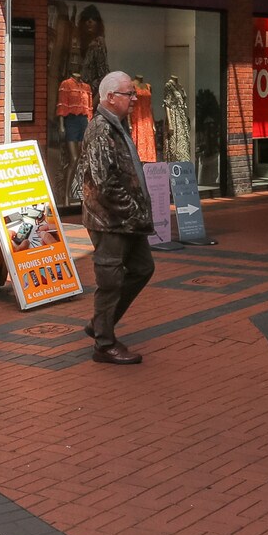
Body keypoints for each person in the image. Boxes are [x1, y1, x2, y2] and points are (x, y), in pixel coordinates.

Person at [80, 71, 155, 366]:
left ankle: (100, 323)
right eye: (129, 94)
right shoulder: (100, 129)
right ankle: (104, 343)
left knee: (142, 268)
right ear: (111, 97)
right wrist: (135, 212)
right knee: (109, 279)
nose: (135, 99)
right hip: (109, 220)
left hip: (128, 221)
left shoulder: (118, 125)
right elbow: (104, 184)